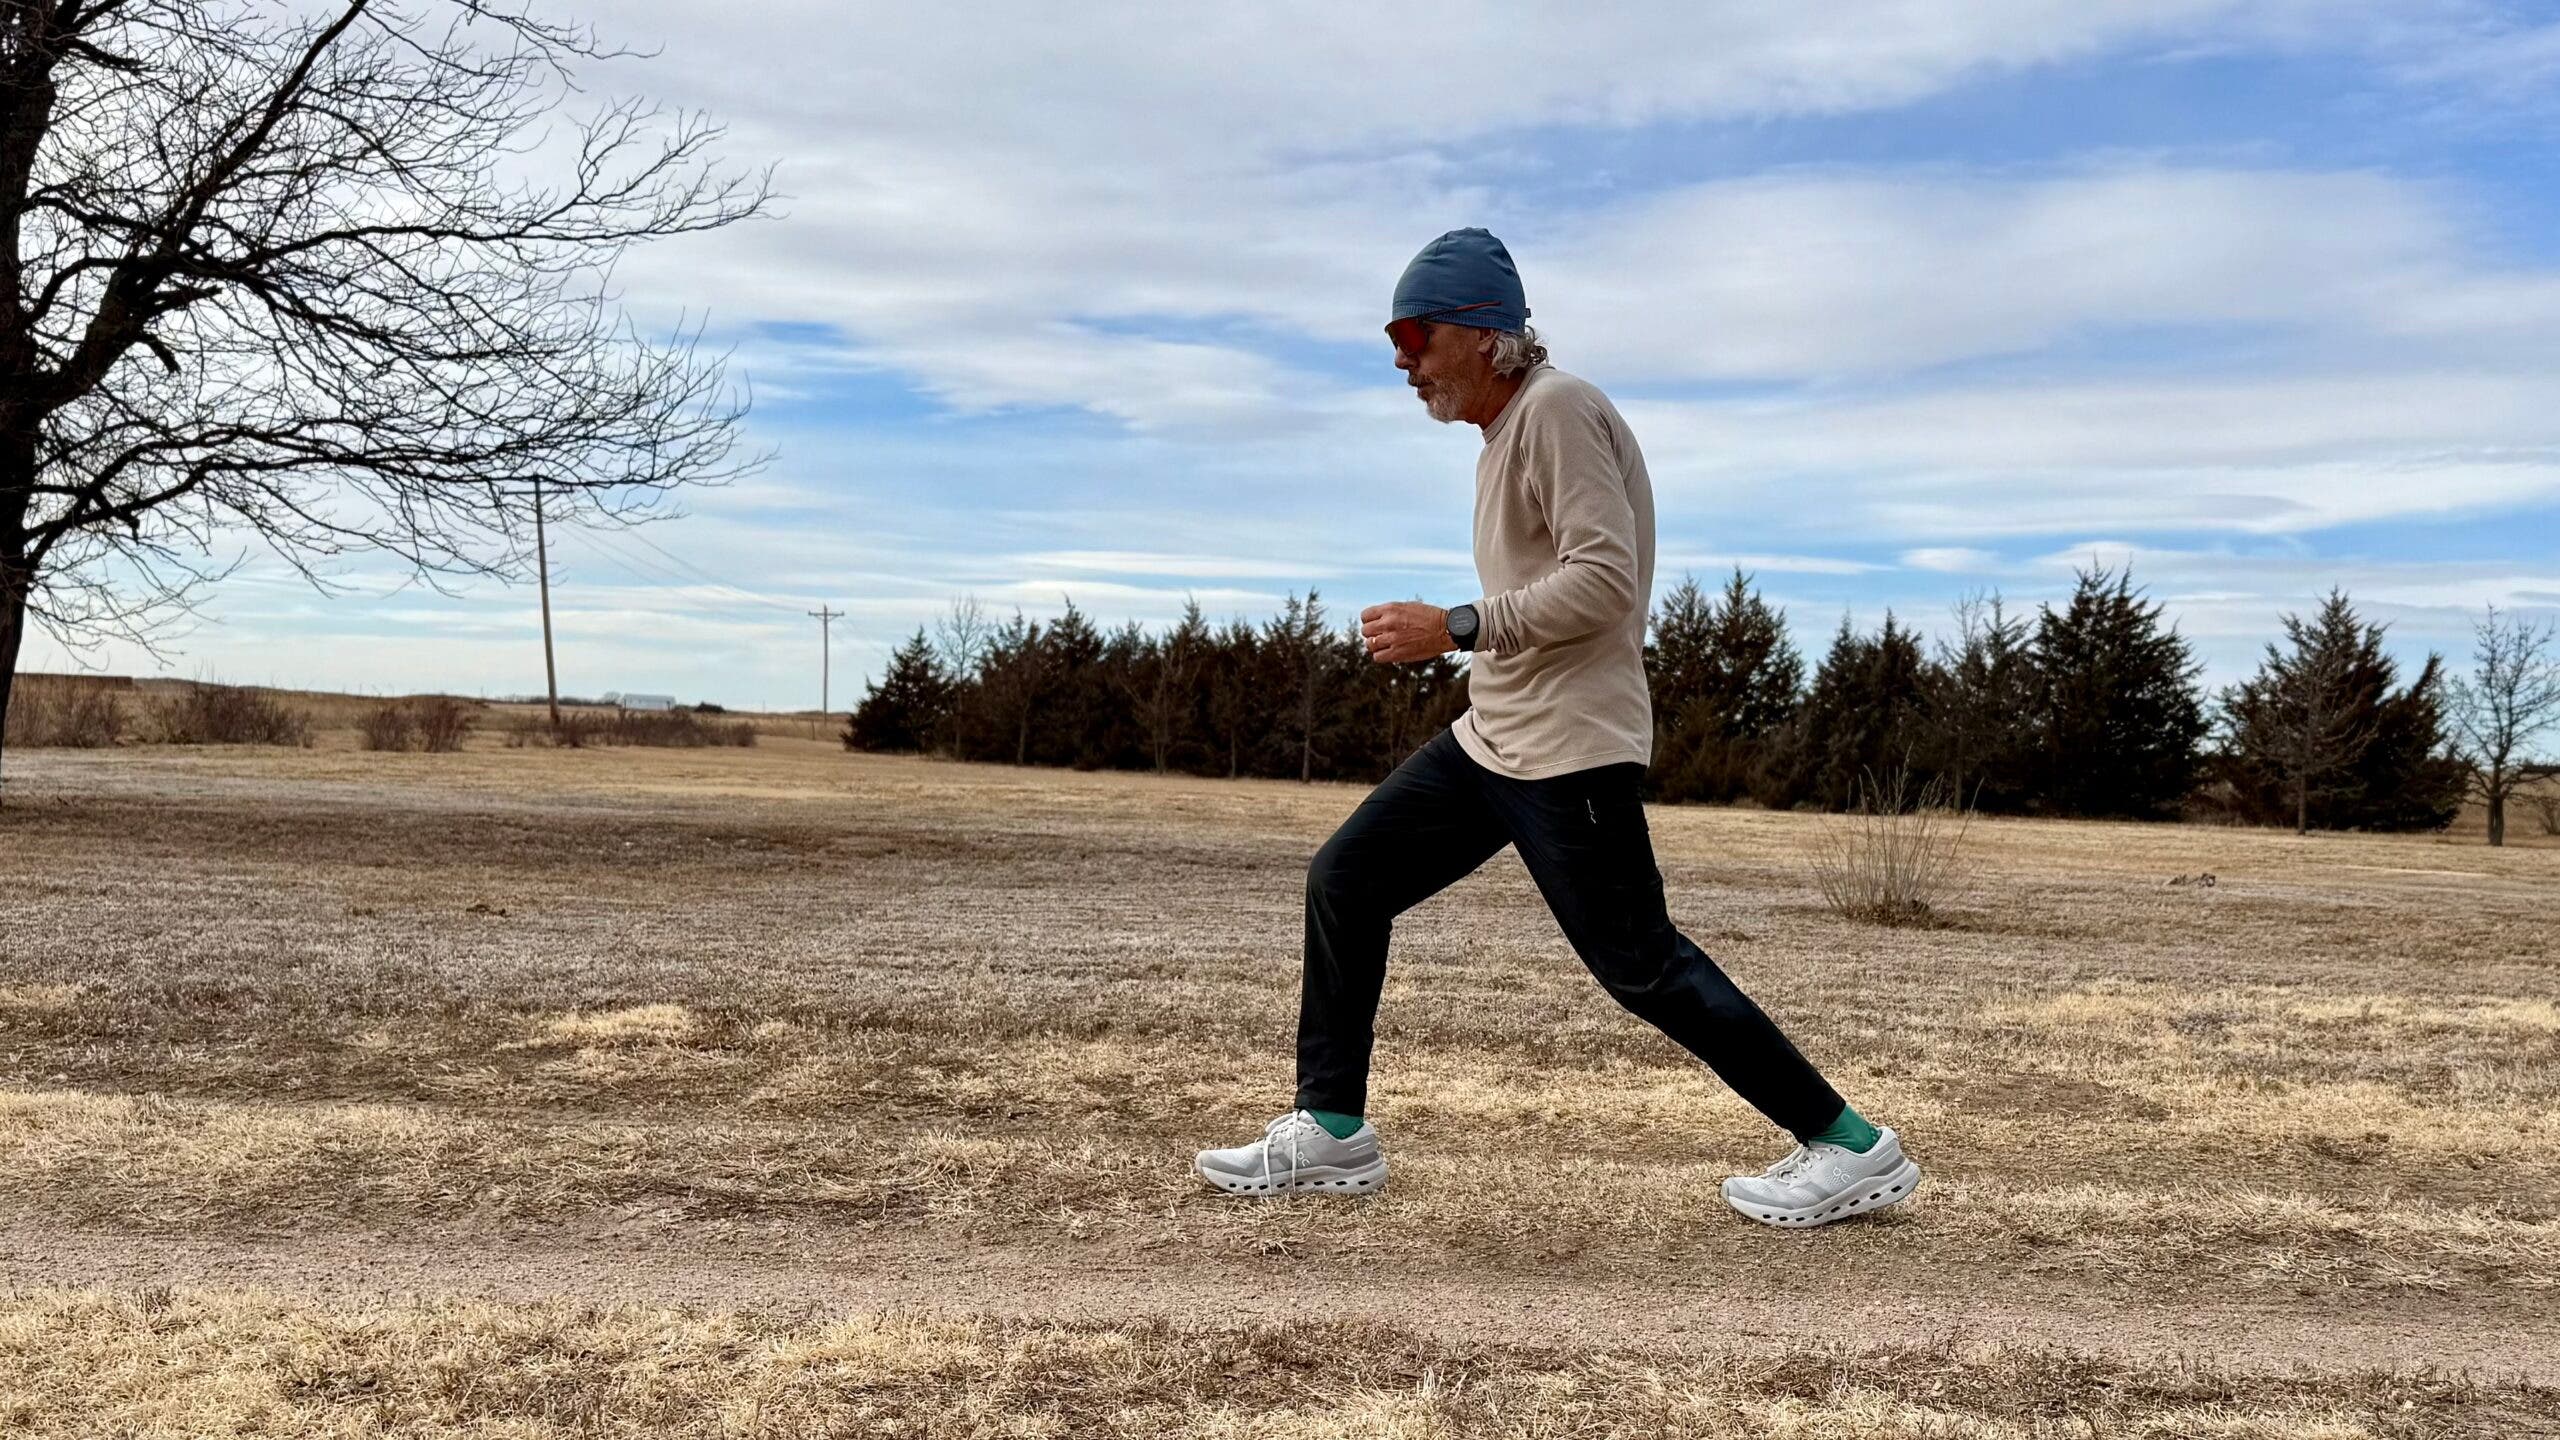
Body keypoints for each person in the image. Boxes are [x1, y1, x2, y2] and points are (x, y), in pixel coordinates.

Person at [1194, 228, 1922, 1228]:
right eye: (1395, 340)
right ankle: (1330, 1128)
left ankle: (1848, 1146)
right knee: (1347, 879)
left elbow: (1603, 581)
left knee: (1641, 965)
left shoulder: (1559, 411)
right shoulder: (1504, 437)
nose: (1402, 361)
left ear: (1486, 333)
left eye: (1417, 335)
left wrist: (1455, 627)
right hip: (1495, 736)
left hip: (1568, 747)